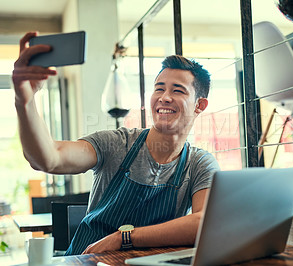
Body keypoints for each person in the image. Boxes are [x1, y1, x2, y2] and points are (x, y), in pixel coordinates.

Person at [12, 32, 220, 255]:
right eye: (159, 88)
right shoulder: (116, 143)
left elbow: (204, 224)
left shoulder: (200, 164)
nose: (164, 97)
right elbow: (49, 158)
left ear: (200, 105)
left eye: (177, 90)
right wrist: (25, 101)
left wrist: (125, 238)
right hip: (86, 259)